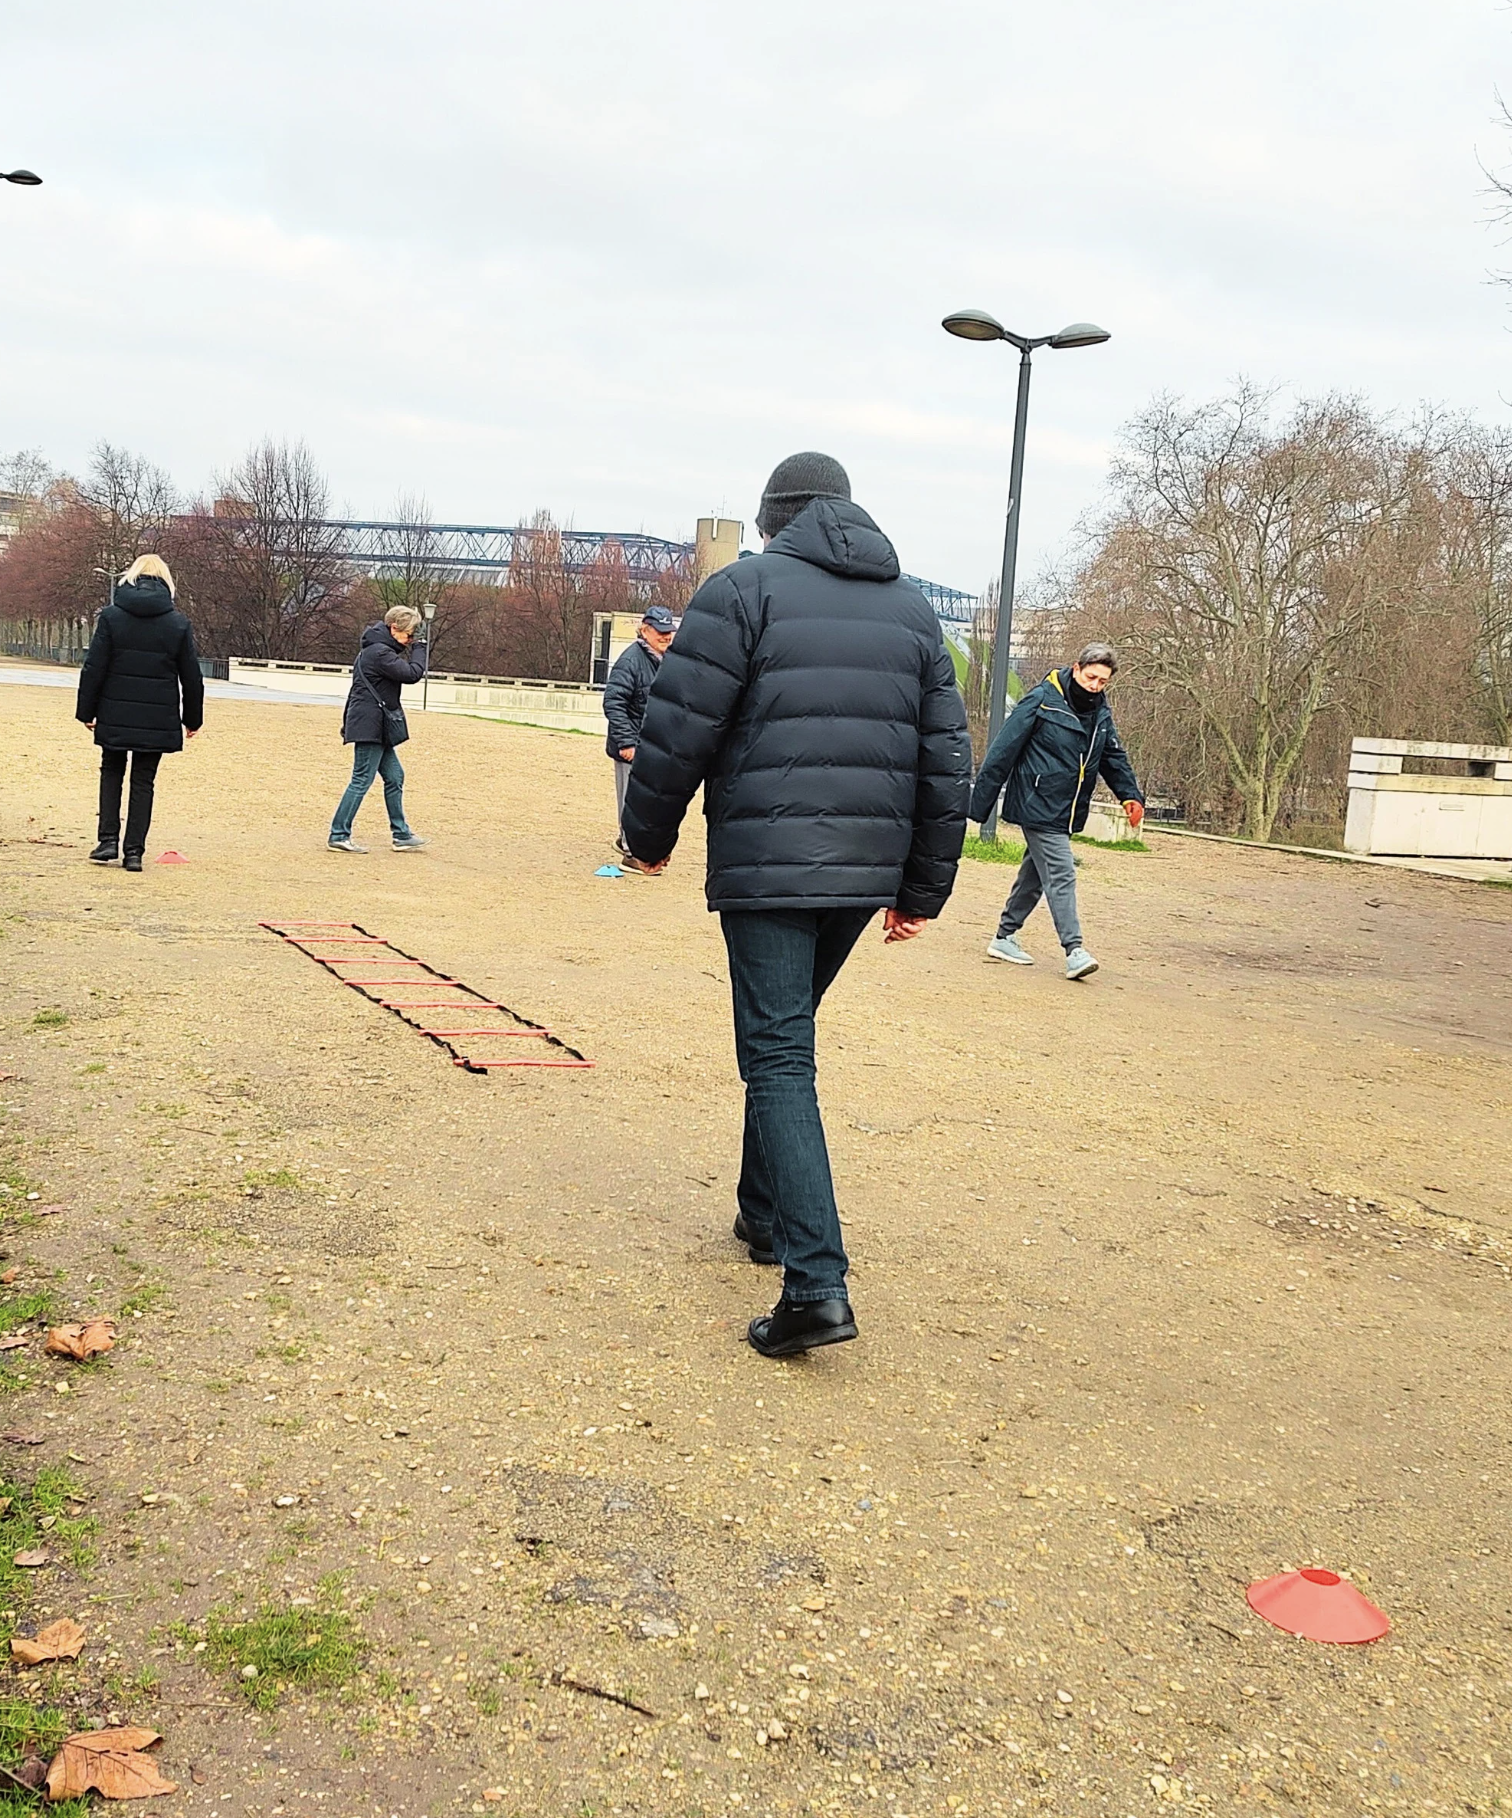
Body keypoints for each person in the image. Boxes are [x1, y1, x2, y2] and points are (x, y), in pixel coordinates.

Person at [621, 452, 971, 1358]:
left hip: (770, 863)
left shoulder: (743, 590)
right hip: (863, 874)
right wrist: (922, 887)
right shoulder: (912, 609)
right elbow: (947, 760)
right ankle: (764, 1218)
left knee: (777, 1053)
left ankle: (816, 1283)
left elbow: (679, 726)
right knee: (785, 1035)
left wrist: (645, 840)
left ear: (773, 516)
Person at [968, 641, 1144, 981]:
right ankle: (1074, 950)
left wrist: (1129, 796)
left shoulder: (1099, 713)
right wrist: (980, 805)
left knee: (1035, 876)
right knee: (1062, 872)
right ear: (1076, 669)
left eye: (1102, 682)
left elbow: (1112, 757)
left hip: (1066, 809)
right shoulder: (1041, 699)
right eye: (1091, 677)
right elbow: (1003, 749)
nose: (1095, 686)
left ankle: (1004, 937)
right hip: (1037, 803)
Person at [76, 554, 204, 872]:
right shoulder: (177, 624)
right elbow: (192, 676)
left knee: (111, 771)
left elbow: (94, 667)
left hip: (114, 709)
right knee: (143, 781)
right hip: (157, 716)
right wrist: (193, 718)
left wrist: (86, 711)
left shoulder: (110, 617)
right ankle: (134, 852)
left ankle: (107, 841)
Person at [328, 605, 430, 854]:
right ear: (394, 628)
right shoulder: (379, 653)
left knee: (395, 777)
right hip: (370, 725)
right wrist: (421, 648)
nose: (409, 641)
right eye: (408, 635)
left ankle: (401, 834)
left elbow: (358, 690)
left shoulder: (375, 651)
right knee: (361, 779)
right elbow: (412, 673)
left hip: (375, 725)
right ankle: (339, 834)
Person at [602, 604, 675, 869]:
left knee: (651, 802)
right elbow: (613, 702)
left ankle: (638, 845)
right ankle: (633, 853)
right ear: (645, 630)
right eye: (660, 631)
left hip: (657, 746)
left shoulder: (669, 660)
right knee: (631, 801)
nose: (666, 636)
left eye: (669, 631)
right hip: (632, 747)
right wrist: (627, 743)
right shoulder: (630, 660)